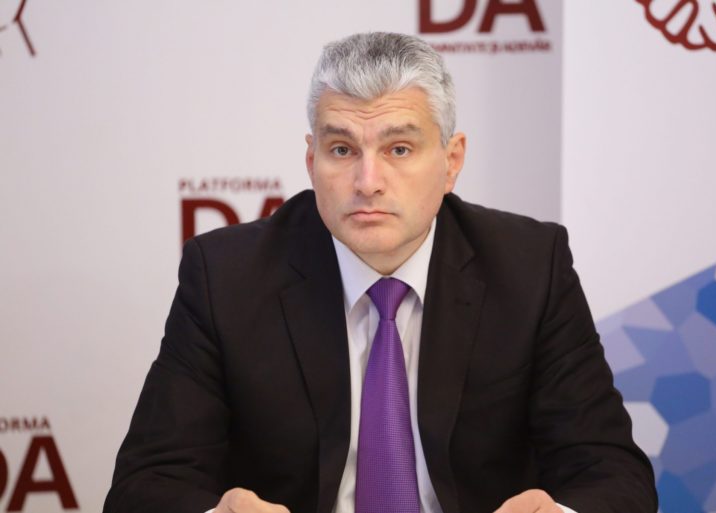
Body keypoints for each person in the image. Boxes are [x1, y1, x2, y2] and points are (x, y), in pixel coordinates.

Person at [104, 32, 657, 513]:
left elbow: (613, 472)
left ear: (451, 161)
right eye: (342, 149)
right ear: (311, 161)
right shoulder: (226, 276)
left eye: (399, 148)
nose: (367, 181)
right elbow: (145, 484)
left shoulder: (530, 267)